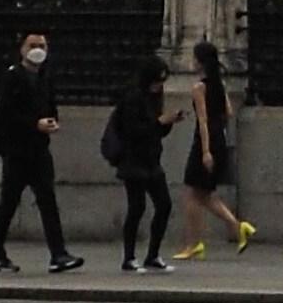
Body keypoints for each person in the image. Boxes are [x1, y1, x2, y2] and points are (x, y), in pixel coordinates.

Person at [0, 26, 82, 273]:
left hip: (38, 149)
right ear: (22, 50)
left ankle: (58, 254)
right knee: (9, 202)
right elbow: (5, 113)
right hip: (17, 151)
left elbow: (50, 106)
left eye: (42, 46)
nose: (38, 51)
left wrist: (51, 121)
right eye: (33, 46)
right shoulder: (12, 77)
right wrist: (34, 123)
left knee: (47, 200)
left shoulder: (44, 77)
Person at [176, 34, 254, 256]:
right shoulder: (219, 84)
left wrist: (206, 151)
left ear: (199, 61)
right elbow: (227, 111)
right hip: (220, 136)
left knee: (192, 191)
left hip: (206, 140)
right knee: (204, 194)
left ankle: (193, 243)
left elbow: (202, 120)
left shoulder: (199, 88)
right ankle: (238, 226)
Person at [107, 60, 174, 273]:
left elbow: (157, 131)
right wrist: (159, 123)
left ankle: (153, 254)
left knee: (164, 205)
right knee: (137, 207)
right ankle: (129, 257)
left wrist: (167, 122)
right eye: (157, 80)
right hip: (133, 160)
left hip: (151, 159)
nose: (159, 85)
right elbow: (133, 130)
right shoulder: (133, 98)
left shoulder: (155, 98)